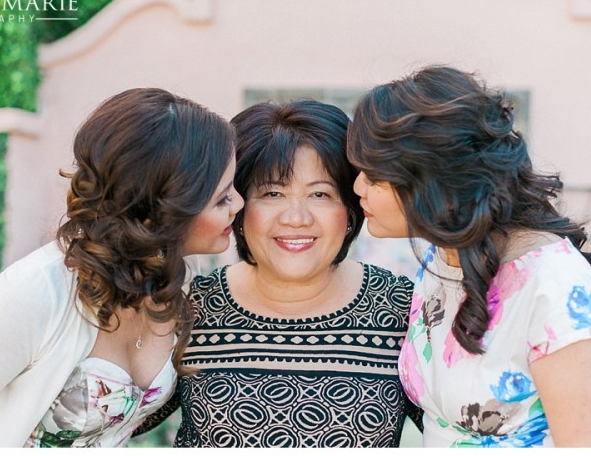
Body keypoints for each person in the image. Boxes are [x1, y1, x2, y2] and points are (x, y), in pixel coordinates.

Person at [0, 88, 244, 447]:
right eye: (222, 197)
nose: (239, 203)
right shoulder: (34, 293)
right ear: (160, 210)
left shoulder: (175, 283)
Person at [346, 65, 591, 447]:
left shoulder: (557, 291)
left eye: (374, 175)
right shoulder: (441, 258)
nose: (357, 186)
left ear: (432, 179)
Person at [137, 99, 422, 447]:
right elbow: (105, 422)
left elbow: (459, 430)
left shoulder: (405, 307)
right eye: (272, 193)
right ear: (236, 206)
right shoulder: (189, 307)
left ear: (351, 209)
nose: (296, 217)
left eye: (320, 194)